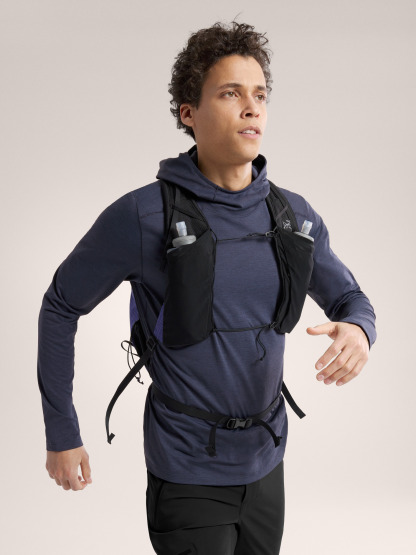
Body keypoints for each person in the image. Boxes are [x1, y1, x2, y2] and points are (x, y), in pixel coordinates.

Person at [38, 20, 376, 555]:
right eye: (231, 93)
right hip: (186, 469)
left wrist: (359, 330)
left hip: (267, 463)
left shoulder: (293, 215)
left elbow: (352, 300)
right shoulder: (142, 215)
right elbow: (60, 306)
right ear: (188, 113)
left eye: (260, 95)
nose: (252, 108)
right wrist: (62, 432)